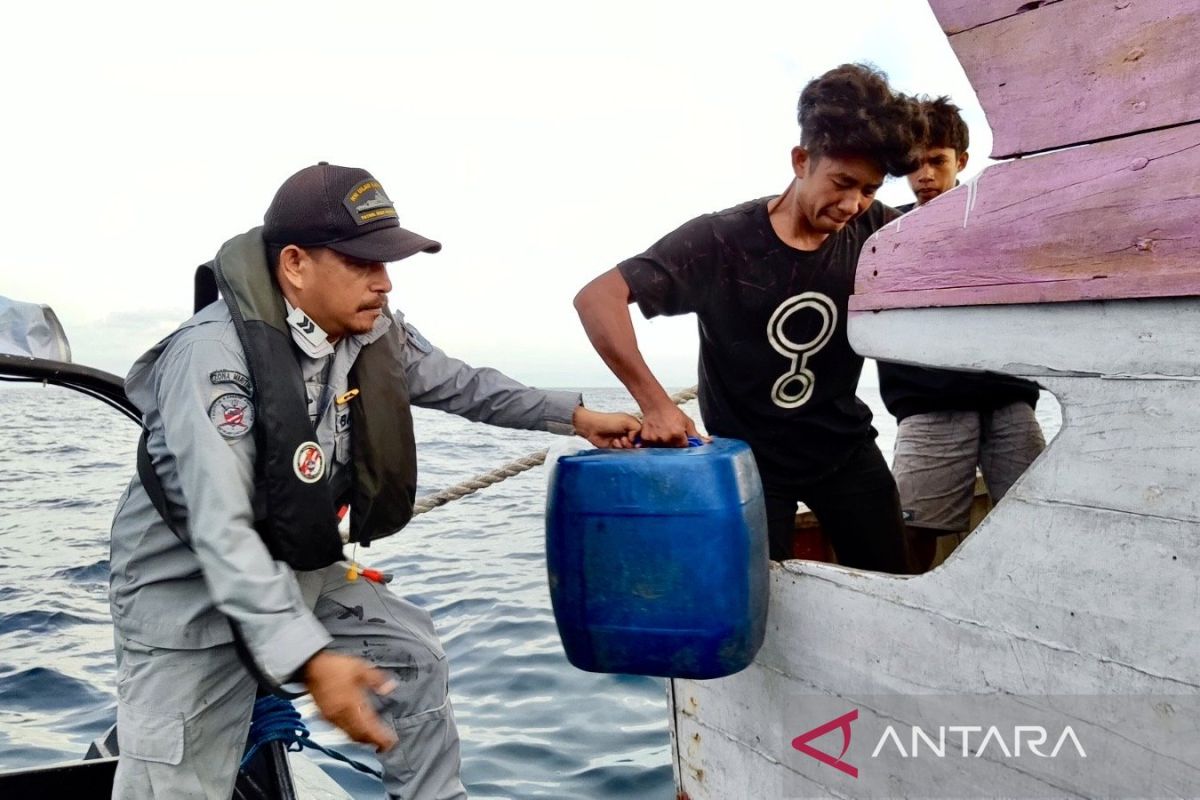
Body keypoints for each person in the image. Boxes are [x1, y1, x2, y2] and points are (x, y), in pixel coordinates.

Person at [107, 162, 641, 799]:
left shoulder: (367, 333)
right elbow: (222, 529)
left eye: (387, 264)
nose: (384, 283)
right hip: (186, 596)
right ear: (296, 265)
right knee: (178, 784)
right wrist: (311, 658)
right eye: (363, 263)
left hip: (299, 568)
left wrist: (578, 417)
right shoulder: (210, 357)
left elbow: (464, 385)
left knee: (412, 658)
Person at [573, 64, 923, 570]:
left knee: (893, 582)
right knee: (760, 610)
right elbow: (597, 298)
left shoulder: (876, 227)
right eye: (843, 182)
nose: (853, 204)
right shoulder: (721, 241)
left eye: (868, 189)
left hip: (844, 451)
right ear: (802, 160)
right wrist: (657, 405)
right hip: (749, 464)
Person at [877, 96, 1045, 570]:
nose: (924, 174)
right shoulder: (885, 234)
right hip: (928, 402)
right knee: (911, 530)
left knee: (1037, 519)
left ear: (961, 162)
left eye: (937, 160)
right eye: (913, 164)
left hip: (1007, 396)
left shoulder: (1000, 224)